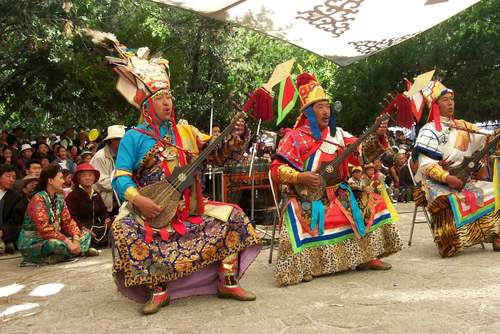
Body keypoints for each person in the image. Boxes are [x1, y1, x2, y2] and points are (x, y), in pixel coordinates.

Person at [97, 36, 261, 315]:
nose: (167, 103)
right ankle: (158, 289)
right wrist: (139, 200)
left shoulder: (186, 132)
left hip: (191, 209)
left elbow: (220, 153)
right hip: (154, 211)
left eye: (169, 97)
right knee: (123, 229)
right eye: (160, 98)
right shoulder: (133, 138)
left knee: (234, 215)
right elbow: (120, 177)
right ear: (147, 105)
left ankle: (227, 280)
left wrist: (237, 134)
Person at [270, 72, 402, 286]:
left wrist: (376, 134)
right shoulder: (293, 137)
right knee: (296, 211)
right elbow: (276, 169)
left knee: (373, 197)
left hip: (338, 192)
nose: (325, 111)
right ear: (308, 112)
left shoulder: (338, 133)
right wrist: (301, 176)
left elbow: (362, 152)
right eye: (319, 107)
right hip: (309, 196)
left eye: (327, 106)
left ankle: (366, 256)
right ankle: (305, 264)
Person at [414, 80, 500, 257]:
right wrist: (447, 178)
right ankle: (450, 242)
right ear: (436, 105)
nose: (450, 103)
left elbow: (485, 141)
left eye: (452, 99)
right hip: (436, 181)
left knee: (496, 190)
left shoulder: (464, 126)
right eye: (445, 100)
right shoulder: (428, 130)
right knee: (444, 200)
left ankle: (496, 236)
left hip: (464, 178)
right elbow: (427, 164)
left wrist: (495, 137)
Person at [17, 165, 98, 265]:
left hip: (57, 237)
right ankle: (79, 251)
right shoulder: (38, 199)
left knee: (86, 235)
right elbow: (44, 229)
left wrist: (76, 240)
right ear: (50, 181)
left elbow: (68, 222)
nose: (63, 181)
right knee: (54, 244)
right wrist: (68, 242)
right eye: (60, 178)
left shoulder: (59, 198)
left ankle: (69, 253)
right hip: (35, 242)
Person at [66, 163, 111, 246]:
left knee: (114, 231)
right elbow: (71, 217)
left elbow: (103, 211)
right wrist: (83, 228)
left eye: (90, 175)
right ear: (78, 179)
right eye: (83, 176)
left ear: (94, 178)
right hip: (81, 228)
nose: (87, 178)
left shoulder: (96, 194)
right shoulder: (72, 196)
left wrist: (106, 218)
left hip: (97, 227)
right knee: (84, 236)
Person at [90, 125, 125, 214]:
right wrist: (125, 184)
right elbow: (103, 182)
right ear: (113, 140)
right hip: (104, 204)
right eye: (121, 140)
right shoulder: (100, 157)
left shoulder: (122, 154)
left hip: (120, 202)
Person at [0, 164, 22, 255]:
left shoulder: (16, 197)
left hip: (4, 231)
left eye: (14, 177)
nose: (12, 180)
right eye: (8, 176)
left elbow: (14, 222)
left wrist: (2, 232)